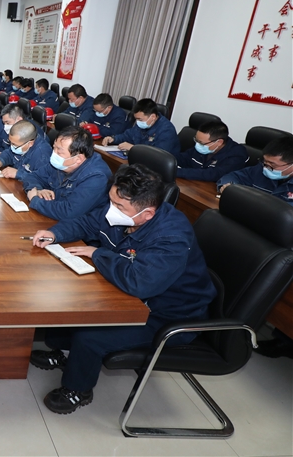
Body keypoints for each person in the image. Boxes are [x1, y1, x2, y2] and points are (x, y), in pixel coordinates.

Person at [30, 164, 216, 414]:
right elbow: (87, 222)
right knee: (71, 300)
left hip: (169, 315)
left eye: (119, 206)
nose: (111, 209)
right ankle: (63, 352)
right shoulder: (124, 209)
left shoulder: (172, 238)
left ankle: (77, 390)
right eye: (111, 200)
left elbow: (140, 283)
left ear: (147, 214)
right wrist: (55, 233)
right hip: (137, 296)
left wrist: (98, 254)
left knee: (89, 336)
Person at [22, 127, 112, 220]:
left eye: (59, 151)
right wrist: (38, 190)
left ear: (78, 159)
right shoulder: (62, 163)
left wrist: (36, 200)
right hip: (52, 216)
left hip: (77, 225)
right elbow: (32, 176)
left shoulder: (96, 177)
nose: (54, 154)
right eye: (54, 148)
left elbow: (69, 212)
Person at [216, 136, 293, 205]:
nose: (266, 167)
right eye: (265, 161)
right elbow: (233, 176)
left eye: (272, 165)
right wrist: (229, 186)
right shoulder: (260, 170)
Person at [102, 98, 180, 157]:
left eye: (140, 119)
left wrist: (134, 148)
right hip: (141, 159)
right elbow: (128, 135)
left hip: (159, 167)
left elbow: (159, 155)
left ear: (153, 117)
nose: (137, 122)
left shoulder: (167, 130)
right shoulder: (143, 124)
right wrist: (113, 138)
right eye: (136, 119)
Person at [176, 121, 248, 181]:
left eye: (201, 143)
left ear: (219, 142)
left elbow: (214, 174)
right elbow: (184, 158)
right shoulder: (203, 147)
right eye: (196, 140)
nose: (197, 144)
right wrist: (169, 161)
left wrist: (176, 171)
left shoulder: (237, 154)